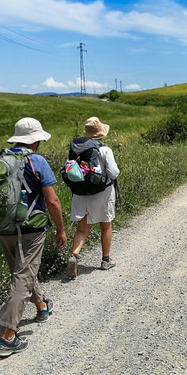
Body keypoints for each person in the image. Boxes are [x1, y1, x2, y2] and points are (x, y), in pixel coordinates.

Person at [0, 117, 68, 357]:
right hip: (31, 227)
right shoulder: (36, 160)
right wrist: (61, 229)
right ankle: (7, 337)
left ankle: (41, 307)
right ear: (36, 140)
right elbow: (52, 200)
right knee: (23, 276)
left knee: (22, 272)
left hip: (3, 228)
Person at [67, 116, 120, 279]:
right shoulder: (105, 150)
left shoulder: (76, 149)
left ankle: (73, 256)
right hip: (102, 193)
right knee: (106, 226)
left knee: (82, 229)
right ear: (101, 134)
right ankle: (105, 260)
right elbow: (113, 173)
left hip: (80, 192)